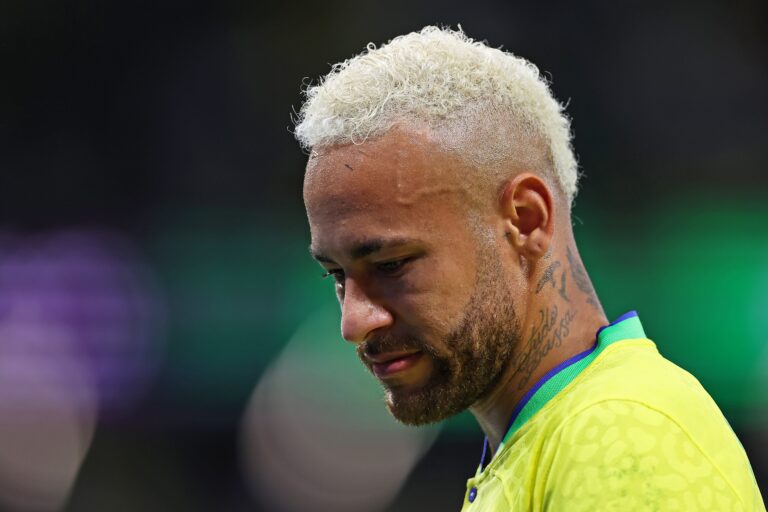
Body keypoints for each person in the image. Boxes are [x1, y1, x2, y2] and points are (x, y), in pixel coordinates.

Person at [294, 26, 766, 511]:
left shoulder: (619, 438)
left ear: (526, 219)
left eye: (391, 265)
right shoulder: (554, 440)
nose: (353, 323)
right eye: (337, 276)